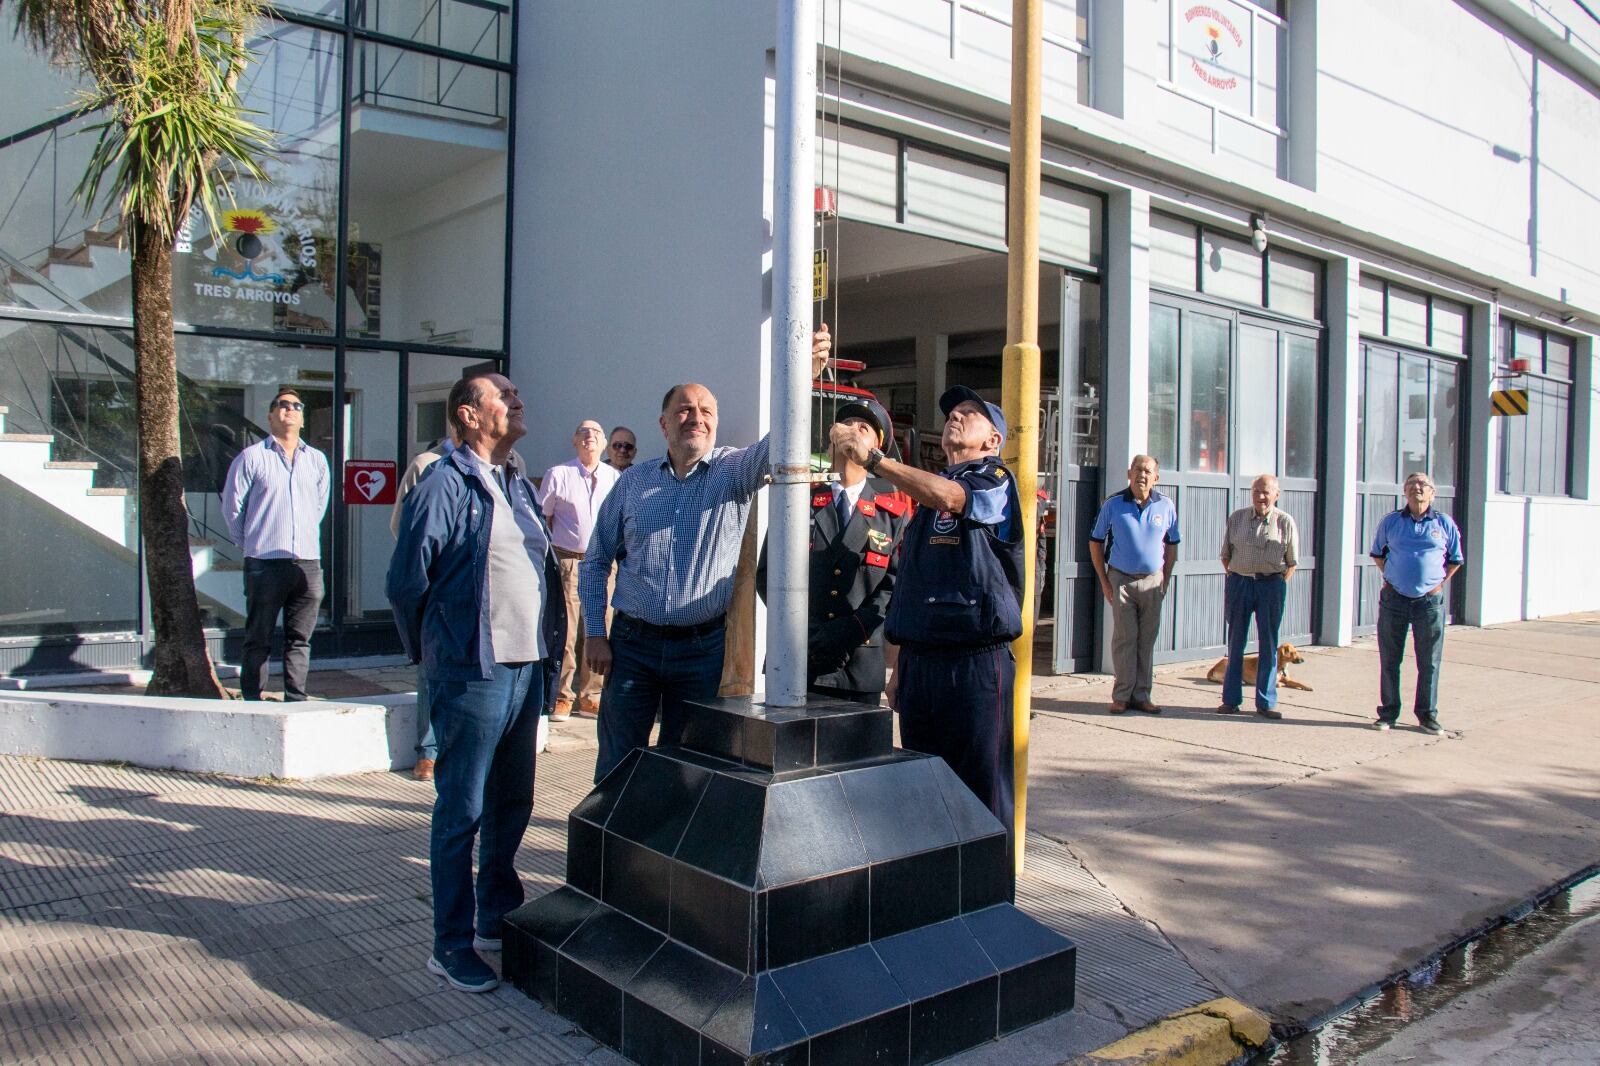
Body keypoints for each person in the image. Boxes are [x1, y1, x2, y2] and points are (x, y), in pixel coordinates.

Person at [580, 327, 833, 783]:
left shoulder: (733, 472)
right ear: (664, 424)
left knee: (686, 763)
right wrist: (595, 633)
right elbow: (595, 560)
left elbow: (785, 440)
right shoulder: (632, 484)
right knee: (619, 760)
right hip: (632, 647)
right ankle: (611, 849)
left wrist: (808, 377)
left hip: (699, 651)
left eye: (706, 411)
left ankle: (665, 849)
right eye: (684, 409)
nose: (696, 417)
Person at [387, 371, 565, 994]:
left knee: (512, 802)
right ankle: (450, 944)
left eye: (518, 393)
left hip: (524, 669)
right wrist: (436, 654)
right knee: (460, 811)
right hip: (472, 671)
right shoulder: (442, 482)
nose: (518, 401)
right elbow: (406, 581)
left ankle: (496, 915)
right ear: (467, 414)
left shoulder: (515, 478)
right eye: (503, 396)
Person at [830, 385, 1023, 847]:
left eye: (969, 414)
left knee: (980, 797)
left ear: (993, 441)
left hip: (974, 662)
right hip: (921, 666)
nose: (955, 417)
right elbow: (909, 588)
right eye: (952, 413)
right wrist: (899, 668)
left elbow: (954, 499)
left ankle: (992, 906)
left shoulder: (993, 480)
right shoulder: (922, 504)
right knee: (922, 791)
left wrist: (876, 460)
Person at [756, 397, 908, 705]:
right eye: (846, 424)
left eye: (863, 428)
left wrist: (850, 630)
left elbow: (895, 586)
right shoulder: (798, 498)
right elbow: (767, 573)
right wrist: (804, 628)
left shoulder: (892, 513)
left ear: (876, 450)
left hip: (858, 662)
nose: (852, 430)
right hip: (797, 655)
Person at [222, 387, 331, 702]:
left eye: (297, 405)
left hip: (308, 562)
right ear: (270, 416)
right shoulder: (252, 457)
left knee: (300, 639)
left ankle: (295, 697)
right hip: (265, 561)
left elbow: (318, 507)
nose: (290, 409)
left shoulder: (317, 461)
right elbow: (233, 509)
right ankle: (253, 698)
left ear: (303, 417)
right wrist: (252, 545)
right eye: (282, 405)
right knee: (258, 637)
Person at [1370, 472, 1464, 734]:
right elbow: (1378, 554)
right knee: (1390, 658)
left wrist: (1438, 583)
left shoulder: (1444, 523)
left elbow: (1455, 559)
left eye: (1422, 485)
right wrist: (1392, 576)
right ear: (1405, 492)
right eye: (1411, 485)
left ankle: (1427, 715)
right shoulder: (1391, 522)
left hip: (1429, 603)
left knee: (1429, 661)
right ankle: (1388, 713)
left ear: (1433, 493)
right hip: (1394, 599)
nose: (1416, 488)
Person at [538, 420, 620, 721]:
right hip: (568, 560)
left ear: (604, 444)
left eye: (596, 432)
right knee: (568, 630)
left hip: (603, 563)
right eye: (583, 432)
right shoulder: (558, 475)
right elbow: (542, 518)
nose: (589, 436)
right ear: (574, 440)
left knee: (600, 627)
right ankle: (562, 695)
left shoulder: (614, 477)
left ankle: (591, 695)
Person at [1088, 456, 1179, 714]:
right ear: (1129, 473)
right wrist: (1105, 582)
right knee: (1125, 639)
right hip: (1122, 581)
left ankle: (1142, 695)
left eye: (1148, 471)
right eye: (1138, 469)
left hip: (1153, 581)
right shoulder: (1113, 504)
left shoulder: (1166, 506)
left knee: (1146, 641)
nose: (1142, 475)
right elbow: (1095, 541)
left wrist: (1166, 580)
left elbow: (1172, 546)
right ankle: (1122, 695)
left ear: (1156, 478)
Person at [391, 433, 457, 780]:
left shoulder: (511, 465)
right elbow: (402, 528)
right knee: (431, 668)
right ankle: (428, 751)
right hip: (438, 586)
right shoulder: (425, 465)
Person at [1217, 474, 1299, 719]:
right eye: (1256, 491)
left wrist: (1275, 584)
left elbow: (1292, 562)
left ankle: (1266, 701)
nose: (1261, 497)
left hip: (1270, 585)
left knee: (1269, 644)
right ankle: (1230, 700)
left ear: (1276, 494)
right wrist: (1237, 577)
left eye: (1266, 492)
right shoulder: (1237, 518)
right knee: (1236, 642)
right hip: (1240, 584)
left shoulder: (1285, 522)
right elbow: (1225, 555)